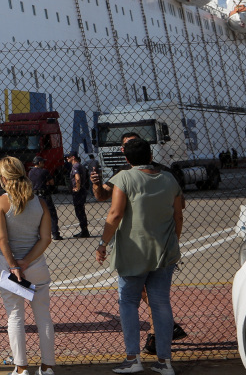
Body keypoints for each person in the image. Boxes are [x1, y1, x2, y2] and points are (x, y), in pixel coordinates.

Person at [91, 136, 187, 355]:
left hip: (134, 251)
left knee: (128, 302)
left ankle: (132, 357)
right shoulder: (169, 178)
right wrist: (174, 242)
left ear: (126, 156)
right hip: (163, 250)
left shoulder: (123, 177)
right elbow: (178, 215)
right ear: (151, 155)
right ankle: (165, 361)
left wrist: (102, 243)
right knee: (161, 303)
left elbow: (114, 213)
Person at [0, 157, 56, 375]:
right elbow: (45, 238)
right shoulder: (39, 202)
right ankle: (47, 367)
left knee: (15, 316)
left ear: (2, 178)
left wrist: (14, 265)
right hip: (36, 264)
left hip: (9, 267)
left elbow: (3, 239)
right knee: (43, 316)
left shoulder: (0, 202)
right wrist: (27, 261)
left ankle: (21, 368)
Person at [27, 157, 62, 241]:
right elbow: (52, 182)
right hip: (44, 195)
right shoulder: (44, 171)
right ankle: (55, 233)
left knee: (37, 216)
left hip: (34, 196)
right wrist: (47, 183)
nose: (43, 164)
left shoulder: (30, 172)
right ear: (39, 163)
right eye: (42, 162)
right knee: (52, 215)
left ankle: (38, 234)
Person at [68, 152, 91, 238]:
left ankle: (84, 231)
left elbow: (77, 178)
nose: (67, 159)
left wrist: (77, 188)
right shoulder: (80, 165)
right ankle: (84, 230)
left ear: (73, 157)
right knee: (81, 211)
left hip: (78, 192)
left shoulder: (75, 166)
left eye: (68, 157)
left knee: (79, 211)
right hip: (82, 191)